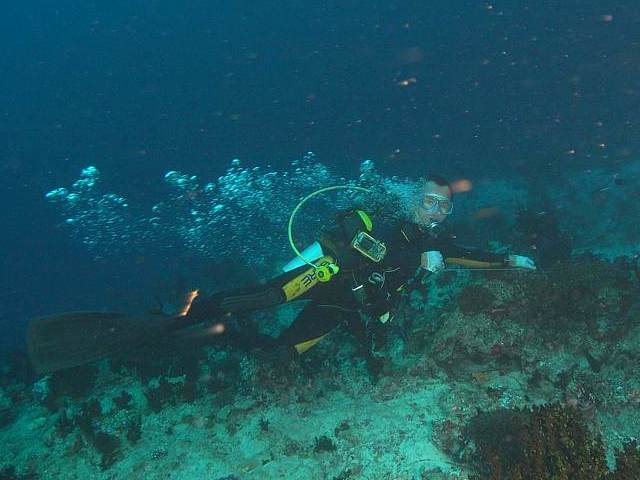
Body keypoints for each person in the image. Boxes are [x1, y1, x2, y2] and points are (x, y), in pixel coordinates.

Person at [178, 175, 536, 377]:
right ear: (415, 199)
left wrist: (511, 260)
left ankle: (222, 335)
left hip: (343, 303)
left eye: (445, 205)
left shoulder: (434, 243)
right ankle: (189, 315)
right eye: (430, 201)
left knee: (280, 356)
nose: (436, 211)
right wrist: (417, 258)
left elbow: (470, 256)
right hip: (326, 273)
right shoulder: (388, 216)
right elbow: (364, 246)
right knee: (269, 297)